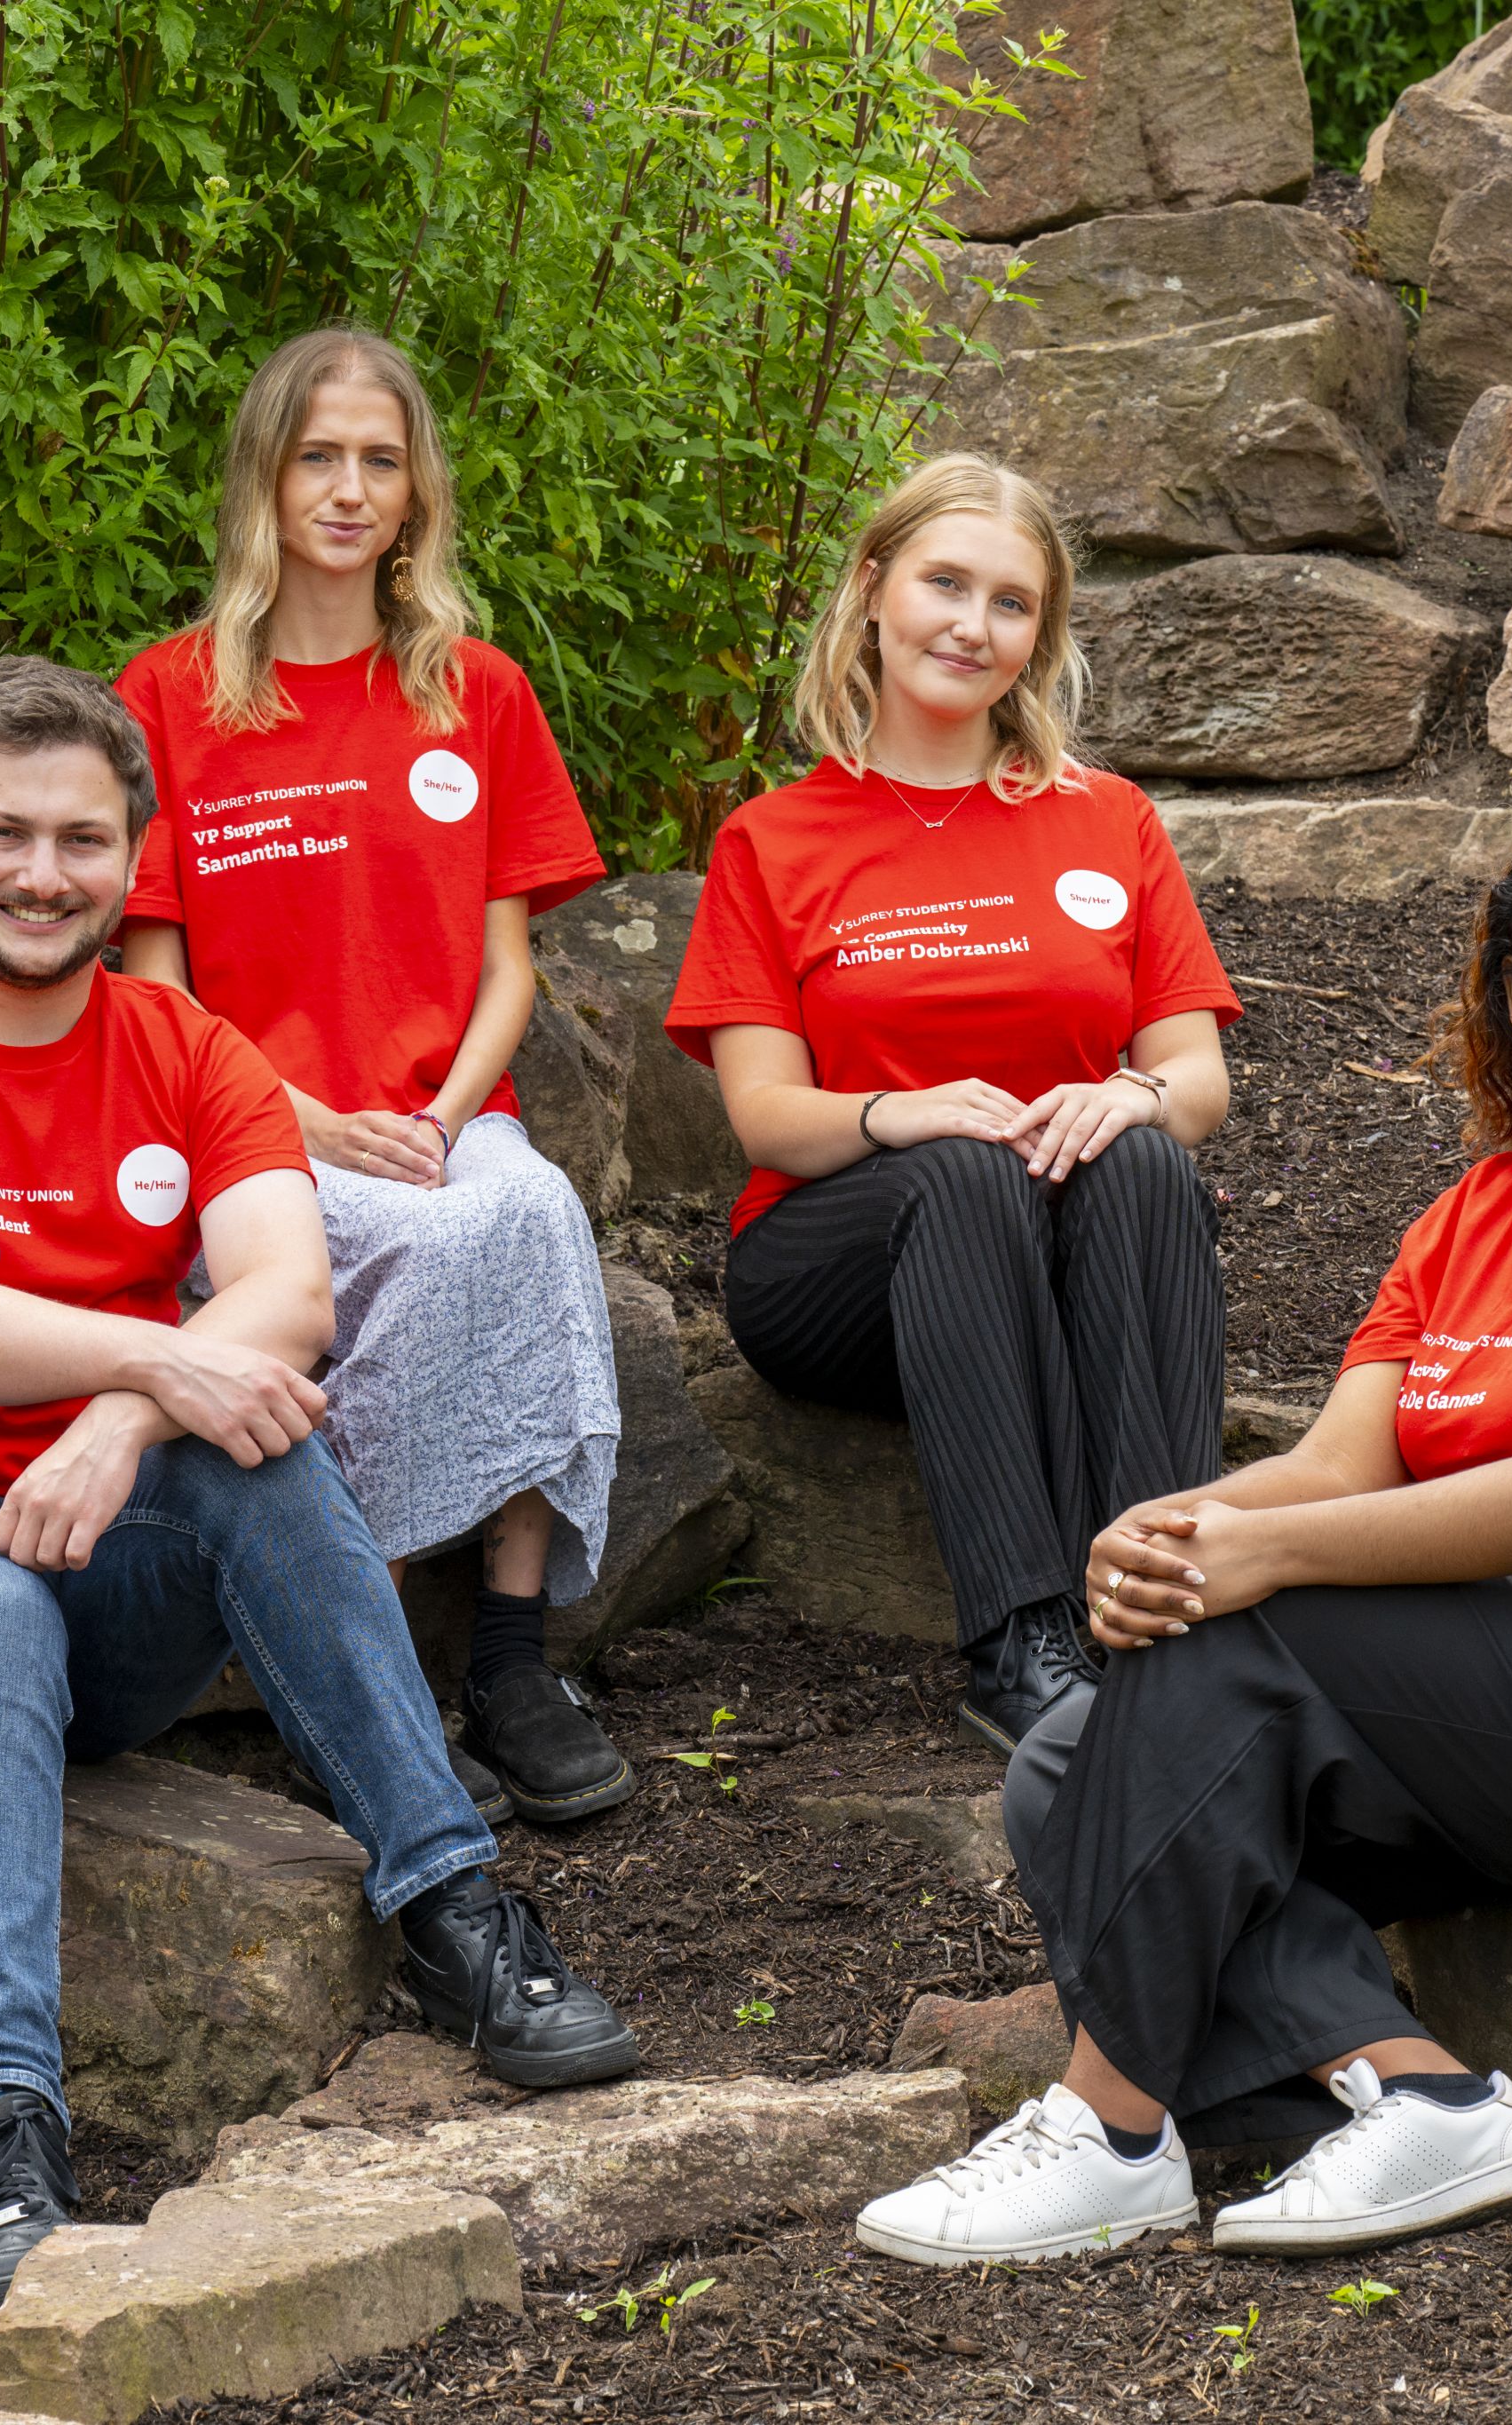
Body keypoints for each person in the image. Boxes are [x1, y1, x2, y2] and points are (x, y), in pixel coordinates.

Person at [852, 802, 1512, 2266]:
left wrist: (1263, 1560)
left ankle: (1111, 2130)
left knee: (1251, 1621)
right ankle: (1422, 2095)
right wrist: (1168, 1528)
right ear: (1506, 987)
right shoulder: (1476, 1210)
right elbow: (1343, 1463)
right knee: (1067, 1763)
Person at [0, 655, 641, 2319]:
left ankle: (455, 1912)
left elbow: (286, 1295)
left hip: (99, 1560)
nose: (42, 874)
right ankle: (6, 2130)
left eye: (83, 840)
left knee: (264, 1447)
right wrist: (156, 1365)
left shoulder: (186, 1046)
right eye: (3, 834)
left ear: (132, 862)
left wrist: (123, 1421)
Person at [115, 328, 632, 1827]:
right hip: (248, 1129)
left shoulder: (478, 690)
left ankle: (513, 1663)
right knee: (432, 1245)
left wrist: (441, 1117)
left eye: (380, 463)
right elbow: (153, 984)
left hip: (440, 1118)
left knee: (528, 1213)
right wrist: (308, 1121)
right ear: (263, 479)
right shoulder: (169, 693)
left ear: (417, 496)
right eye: (318, 458)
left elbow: (508, 969)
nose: (348, 491)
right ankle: (373, 1665)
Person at [664, 453, 1239, 1761]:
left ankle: (1161, 1606)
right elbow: (765, 1118)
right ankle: (1021, 1643)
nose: (973, 627)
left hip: (1060, 1243)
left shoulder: (1107, 820)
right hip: (842, 1267)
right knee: (967, 1168)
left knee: (1147, 1160)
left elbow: (1196, 1079)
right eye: (945, 584)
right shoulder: (774, 839)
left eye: (1011, 603)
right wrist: (899, 1115)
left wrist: (1127, 1096)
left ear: (1041, 635)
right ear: (873, 589)